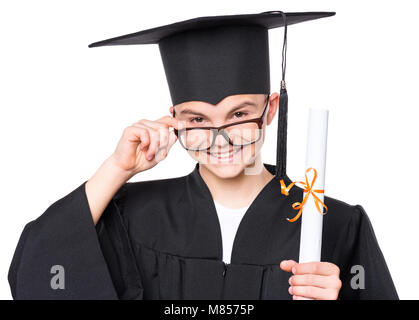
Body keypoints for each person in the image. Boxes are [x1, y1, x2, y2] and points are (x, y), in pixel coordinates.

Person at [8, 10, 398, 300]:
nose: (221, 139)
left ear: (271, 108)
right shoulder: (132, 215)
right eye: (198, 119)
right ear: (174, 120)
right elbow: (34, 272)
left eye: (239, 115)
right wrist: (116, 169)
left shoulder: (338, 224)